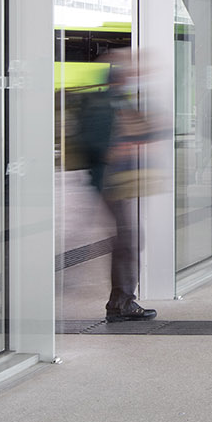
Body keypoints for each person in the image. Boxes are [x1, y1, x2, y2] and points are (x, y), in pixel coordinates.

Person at [70, 50, 157, 322]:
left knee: (128, 239)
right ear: (119, 77)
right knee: (129, 238)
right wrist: (113, 150)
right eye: (130, 73)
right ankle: (122, 302)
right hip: (108, 181)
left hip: (117, 182)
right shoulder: (102, 104)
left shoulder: (120, 102)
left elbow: (146, 130)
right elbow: (94, 142)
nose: (135, 76)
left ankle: (120, 301)